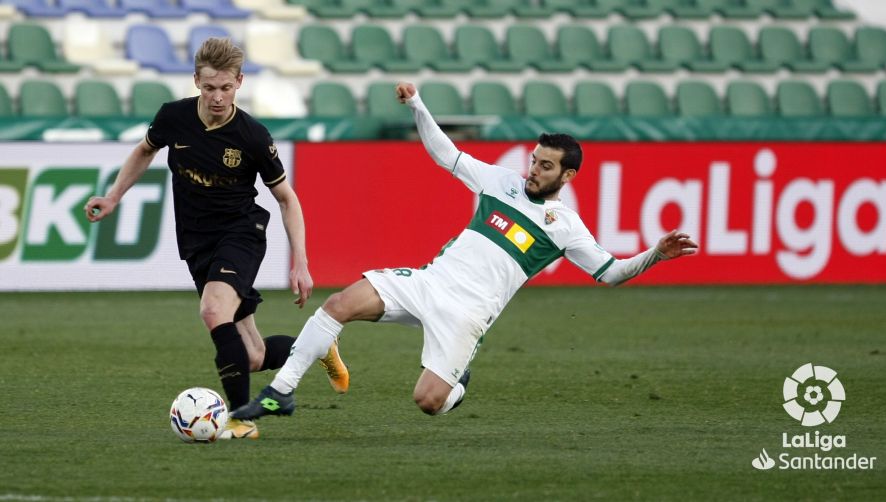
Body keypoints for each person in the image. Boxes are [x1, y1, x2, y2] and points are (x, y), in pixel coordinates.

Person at [231, 81, 698, 421]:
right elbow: (446, 154)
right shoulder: (502, 182)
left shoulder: (565, 227)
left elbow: (611, 273)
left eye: (546, 165)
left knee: (429, 401)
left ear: (568, 176)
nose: (533, 170)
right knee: (337, 304)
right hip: (430, 281)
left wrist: (654, 253)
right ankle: (281, 392)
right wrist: (418, 105)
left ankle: (456, 386)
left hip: (467, 315)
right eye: (534, 160)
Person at [83, 38, 348, 439]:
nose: (218, 97)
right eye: (209, 88)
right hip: (196, 242)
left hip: (242, 232)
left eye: (226, 87)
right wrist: (114, 196)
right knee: (253, 356)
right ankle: (316, 347)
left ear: (239, 82)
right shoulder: (174, 118)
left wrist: (302, 263)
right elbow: (144, 150)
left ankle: (241, 419)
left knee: (212, 310)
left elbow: (286, 199)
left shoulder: (253, 136)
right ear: (196, 81)